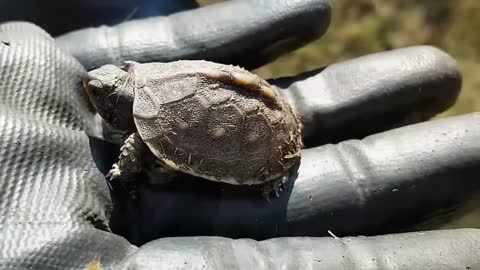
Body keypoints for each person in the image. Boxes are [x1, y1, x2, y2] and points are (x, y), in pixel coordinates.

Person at [0, 0, 478, 269]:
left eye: (104, 93)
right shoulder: (145, 80)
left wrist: (122, 173)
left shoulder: (142, 124)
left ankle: (269, 172)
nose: (96, 90)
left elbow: (134, 150)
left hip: (257, 132)